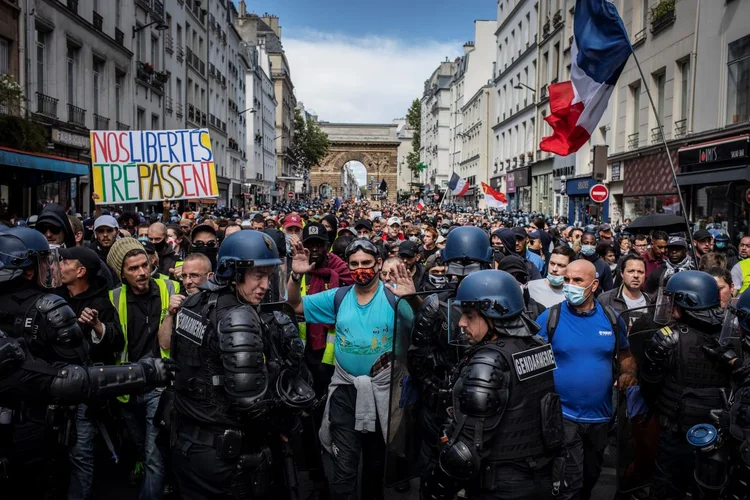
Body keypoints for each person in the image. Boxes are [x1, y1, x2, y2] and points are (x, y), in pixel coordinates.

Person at [166, 229, 314, 499]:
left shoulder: (195, 301)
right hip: (225, 456)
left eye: (269, 276)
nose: (266, 285)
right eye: (258, 275)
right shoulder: (237, 316)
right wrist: (284, 423)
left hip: (187, 444)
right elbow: (250, 403)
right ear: (232, 271)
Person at [287, 237, 412, 500]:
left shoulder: (394, 297)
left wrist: (413, 300)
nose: (360, 269)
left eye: (366, 263)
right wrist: (294, 276)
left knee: (375, 467)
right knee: (344, 467)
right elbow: (296, 305)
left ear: (378, 263)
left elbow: (419, 328)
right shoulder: (339, 297)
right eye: (354, 264)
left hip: (383, 394)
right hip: (344, 392)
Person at [421, 270, 564, 500]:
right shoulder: (535, 345)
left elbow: (465, 452)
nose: (461, 322)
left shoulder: (490, 361)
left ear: (495, 314)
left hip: (500, 485)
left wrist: (436, 487)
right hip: (540, 477)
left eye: (469, 315)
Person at [535, 260, 636, 500]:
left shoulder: (611, 319)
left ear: (594, 285)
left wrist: (627, 373)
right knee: (569, 484)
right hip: (563, 417)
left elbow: (625, 355)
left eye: (577, 281)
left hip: (601, 417)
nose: (570, 285)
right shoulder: (550, 318)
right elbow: (532, 365)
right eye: (567, 279)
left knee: (591, 476)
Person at [639, 270, 739, 500]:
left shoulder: (667, 339)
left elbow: (649, 384)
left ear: (687, 302)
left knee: (667, 486)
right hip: (718, 432)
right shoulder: (732, 334)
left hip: (676, 429)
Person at [408, 226, 494, 488]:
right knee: (433, 471)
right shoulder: (436, 306)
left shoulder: (497, 303)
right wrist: (440, 391)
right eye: (459, 267)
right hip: (441, 405)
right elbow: (418, 360)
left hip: (485, 402)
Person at [106, 238, 181, 499]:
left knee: (153, 454)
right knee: (140, 444)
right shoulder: (113, 298)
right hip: (127, 386)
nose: (141, 273)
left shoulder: (169, 287)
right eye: (133, 269)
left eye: (144, 266)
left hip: (159, 385)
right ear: (121, 274)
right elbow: (111, 340)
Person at [599, 254, 652, 320]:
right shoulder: (605, 300)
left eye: (640, 272)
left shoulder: (652, 302)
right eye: (631, 271)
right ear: (622, 274)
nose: (636, 275)